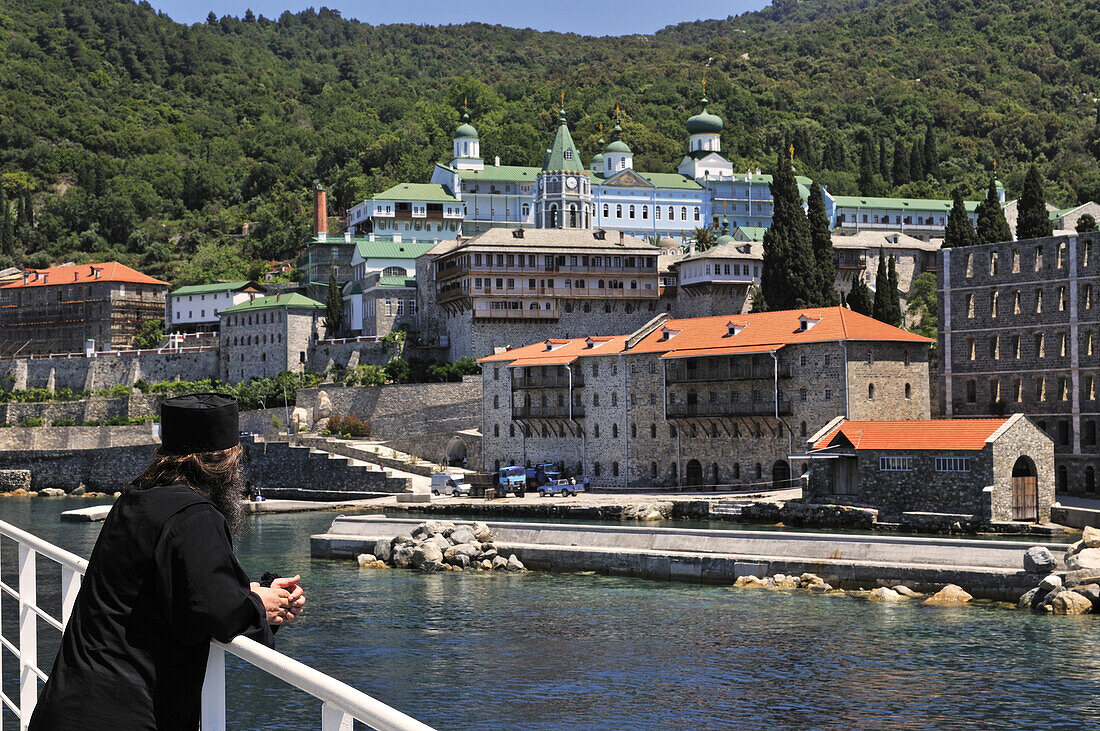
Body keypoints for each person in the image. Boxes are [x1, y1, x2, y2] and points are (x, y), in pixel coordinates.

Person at [29, 394, 305, 730]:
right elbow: (215, 613)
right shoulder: (196, 516)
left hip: (66, 705)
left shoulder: (134, 499)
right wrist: (261, 607)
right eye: (237, 461)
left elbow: (165, 585)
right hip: (125, 716)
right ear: (224, 465)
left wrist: (254, 591)